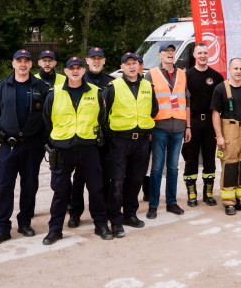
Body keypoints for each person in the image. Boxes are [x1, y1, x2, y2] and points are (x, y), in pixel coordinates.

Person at [41, 56, 113, 244]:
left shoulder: (96, 93)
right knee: (60, 192)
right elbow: (47, 122)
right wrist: (57, 140)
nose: (75, 71)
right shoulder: (54, 93)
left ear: (83, 71)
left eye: (78, 68)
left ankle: (101, 225)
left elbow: (102, 120)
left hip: (88, 149)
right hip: (63, 150)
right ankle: (55, 230)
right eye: (71, 68)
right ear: (65, 71)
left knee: (96, 189)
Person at [0, 49, 49, 246]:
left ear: (31, 64)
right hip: (9, 145)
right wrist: (8, 130)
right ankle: (2, 228)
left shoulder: (41, 86)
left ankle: (25, 223)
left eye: (26, 61)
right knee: (5, 186)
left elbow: (46, 115)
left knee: (29, 186)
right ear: (13, 63)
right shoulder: (2, 86)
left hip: (32, 145)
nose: (23, 64)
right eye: (19, 61)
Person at [103, 52, 158, 237]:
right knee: (117, 181)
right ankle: (116, 220)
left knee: (136, 180)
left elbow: (154, 109)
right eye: (128, 64)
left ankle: (130, 214)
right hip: (120, 141)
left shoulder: (148, 86)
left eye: (135, 63)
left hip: (141, 141)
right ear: (122, 67)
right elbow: (104, 115)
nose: (132, 67)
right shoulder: (112, 87)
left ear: (139, 65)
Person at [68, 46, 114, 228]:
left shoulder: (111, 82)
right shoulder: (78, 79)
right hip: (83, 140)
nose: (96, 61)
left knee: (102, 179)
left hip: (105, 140)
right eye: (92, 58)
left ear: (104, 61)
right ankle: (75, 213)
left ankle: (104, 211)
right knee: (79, 180)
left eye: (99, 58)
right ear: (86, 61)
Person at [145, 42, 191, 219]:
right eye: (166, 51)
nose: (170, 54)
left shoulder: (182, 74)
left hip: (178, 128)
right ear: (160, 55)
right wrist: (148, 128)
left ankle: (171, 202)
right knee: (157, 168)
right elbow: (146, 102)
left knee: (173, 167)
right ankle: (153, 205)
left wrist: (188, 126)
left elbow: (186, 102)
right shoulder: (152, 74)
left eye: (172, 51)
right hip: (159, 128)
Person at [211, 58, 241, 215]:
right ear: (229, 70)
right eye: (235, 68)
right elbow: (215, 114)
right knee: (230, 166)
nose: (238, 71)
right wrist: (219, 136)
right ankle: (229, 203)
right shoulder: (220, 89)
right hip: (229, 130)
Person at [183, 42, 224, 207]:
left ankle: (208, 193)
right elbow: (182, 102)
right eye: (199, 53)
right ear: (194, 55)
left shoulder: (216, 76)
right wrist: (186, 126)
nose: (202, 56)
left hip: (210, 122)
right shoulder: (186, 75)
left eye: (205, 53)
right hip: (191, 122)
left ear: (209, 54)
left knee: (209, 159)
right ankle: (191, 193)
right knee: (190, 159)